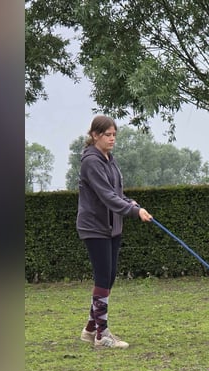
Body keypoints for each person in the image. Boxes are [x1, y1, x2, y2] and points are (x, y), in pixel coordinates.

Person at [76, 115, 153, 349]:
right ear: (95, 135)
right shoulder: (91, 162)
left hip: (113, 227)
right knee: (102, 276)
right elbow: (106, 196)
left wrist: (132, 204)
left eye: (114, 135)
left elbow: (116, 193)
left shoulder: (109, 159)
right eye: (108, 135)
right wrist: (133, 211)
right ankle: (102, 335)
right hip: (95, 227)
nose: (112, 139)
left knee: (108, 278)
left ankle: (91, 329)